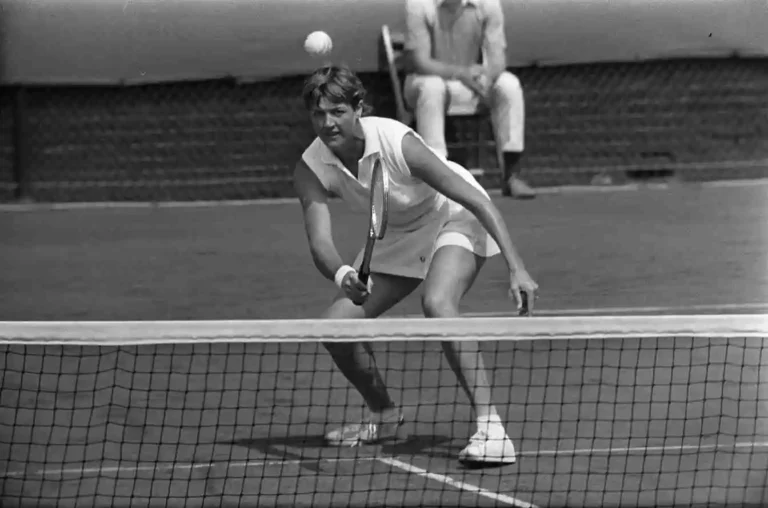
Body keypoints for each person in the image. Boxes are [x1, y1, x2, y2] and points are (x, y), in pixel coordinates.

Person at [293, 65, 538, 464]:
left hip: (454, 213)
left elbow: (478, 200)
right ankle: (385, 415)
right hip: (399, 234)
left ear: (358, 108)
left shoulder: (395, 141)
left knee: (438, 304)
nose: (327, 122)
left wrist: (517, 267)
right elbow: (319, 242)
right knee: (335, 328)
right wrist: (343, 273)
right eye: (318, 114)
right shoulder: (310, 167)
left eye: (337, 111)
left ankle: (492, 429)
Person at [404, 0, 536, 199]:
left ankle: (511, 176)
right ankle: (438, 180)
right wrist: (460, 72)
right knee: (432, 87)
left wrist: (487, 80)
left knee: (509, 85)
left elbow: (497, 57)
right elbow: (421, 62)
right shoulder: (418, 4)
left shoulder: (488, 5)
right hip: (425, 82)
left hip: (470, 83)